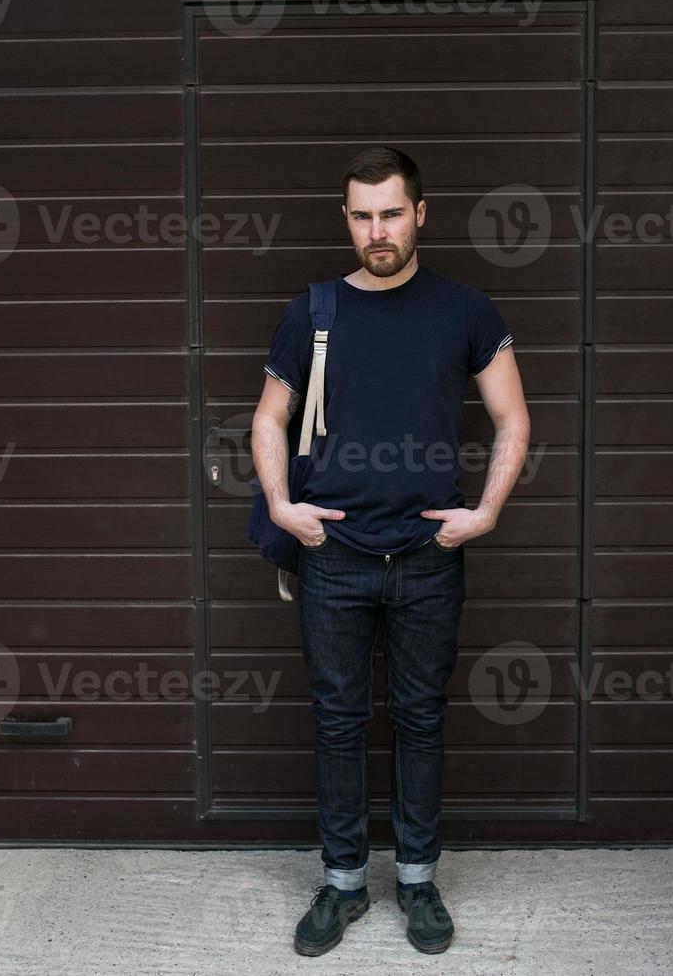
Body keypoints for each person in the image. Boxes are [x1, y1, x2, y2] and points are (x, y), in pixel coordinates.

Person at [250, 145, 530, 956]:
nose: (377, 231)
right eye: (362, 216)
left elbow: (512, 420)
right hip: (333, 555)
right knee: (337, 722)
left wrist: (483, 514)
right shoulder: (312, 311)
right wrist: (281, 505)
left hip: (427, 556)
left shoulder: (466, 310)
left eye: (391, 213)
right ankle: (341, 884)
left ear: (420, 214)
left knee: (419, 719)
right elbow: (269, 418)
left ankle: (415, 878)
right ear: (347, 219)